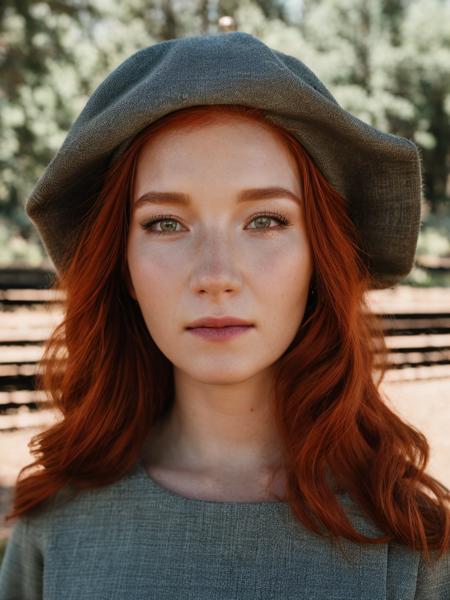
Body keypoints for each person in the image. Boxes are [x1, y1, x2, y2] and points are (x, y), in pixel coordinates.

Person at [0, 31, 449, 599]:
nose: (216, 275)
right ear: (122, 265)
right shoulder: (55, 528)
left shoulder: (412, 543)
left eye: (265, 220)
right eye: (165, 223)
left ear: (321, 257)